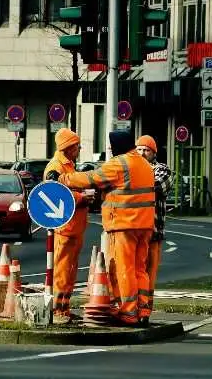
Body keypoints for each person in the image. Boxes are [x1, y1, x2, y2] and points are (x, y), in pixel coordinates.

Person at [56, 130, 155, 327]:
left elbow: (91, 179)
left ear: (118, 145)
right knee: (139, 269)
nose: (110, 149)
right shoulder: (144, 163)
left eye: (111, 145)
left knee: (123, 269)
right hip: (145, 225)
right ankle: (143, 310)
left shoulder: (120, 163)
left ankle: (128, 312)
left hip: (124, 224)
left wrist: (62, 179)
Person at [43, 128, 94, 324]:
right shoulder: (55, 168)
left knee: (70, 270)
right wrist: (82, 197)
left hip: (74, 227)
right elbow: (54, 195)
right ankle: (58, 310)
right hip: (65, 227)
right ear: (67, 147)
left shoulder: (68, 166)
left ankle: (64, 307)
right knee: (62, 269)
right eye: (76, 145)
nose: (79, 148)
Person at [136, 135, 174, 322]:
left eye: (146, 150)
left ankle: (145, 311)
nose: (142, 153)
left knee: (149, 274)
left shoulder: (162, 170)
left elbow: (156, 187)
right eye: (139, 149)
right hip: (133, 230)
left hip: (153, 231)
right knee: (133, 271)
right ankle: (131, 308)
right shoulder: (134, 168)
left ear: (154, 153)